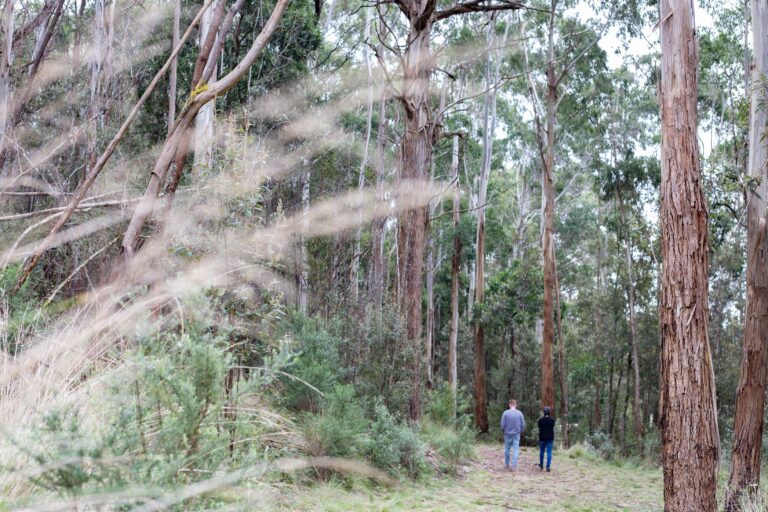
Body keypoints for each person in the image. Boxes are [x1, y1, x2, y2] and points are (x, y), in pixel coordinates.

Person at [500, 399, 525, 470]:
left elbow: (502, 425)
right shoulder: (520, 413)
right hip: (516, 434)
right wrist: (521, 431)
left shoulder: (505, 413)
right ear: (515, 405)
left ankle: (507, 464)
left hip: (507, 434)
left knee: (507, 449)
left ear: (509, 405)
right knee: (516, 450)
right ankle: (513, 466)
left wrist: (504, 431)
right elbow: (523, 424)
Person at [538, 406, 556, 472]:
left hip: (542, 438)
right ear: (549, 412)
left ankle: (541, 465)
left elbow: (539, 426)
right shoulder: (552, 420)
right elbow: (552, 426)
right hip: (550, 438)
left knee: (541, 452)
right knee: (549, 452)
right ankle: (548, 467)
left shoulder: (541, 420)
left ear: (544, 412)